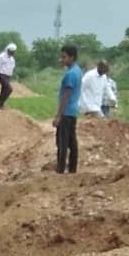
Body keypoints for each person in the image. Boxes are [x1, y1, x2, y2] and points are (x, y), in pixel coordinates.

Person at [54, 45, 82, 174]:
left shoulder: (70, 74)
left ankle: (60, 170)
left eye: (64, 57)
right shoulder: (77, 70)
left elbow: (66, 95)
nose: (62, 59)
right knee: (72, 141)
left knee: (62, 143)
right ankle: (72, 169)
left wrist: (58, 115)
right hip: (73, 112)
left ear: (72, 57)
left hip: (66, 112)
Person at [0, 42, 17, 108]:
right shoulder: (1, 57)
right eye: (12, 52)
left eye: (14, 52)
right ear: (8, 50)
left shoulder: (12, 59)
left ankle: (0, 105)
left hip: (8, 76)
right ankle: (0, 103)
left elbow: (12, 67)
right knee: (9, 89)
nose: (13, 53)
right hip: (1, 75)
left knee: (4, 90)